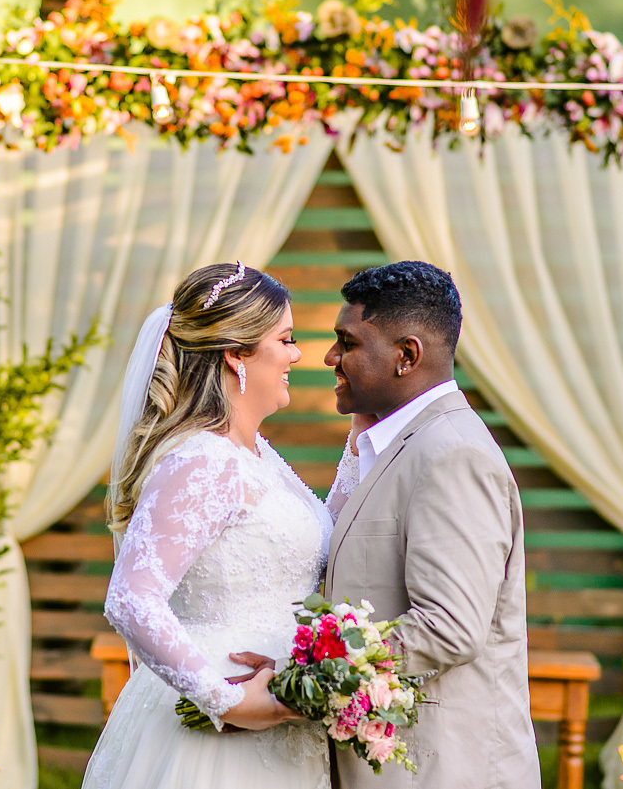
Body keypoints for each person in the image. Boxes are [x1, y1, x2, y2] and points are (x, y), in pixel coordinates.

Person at [81, 262, 363, 789]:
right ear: (237, 353)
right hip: (214, 740)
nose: (297, 355)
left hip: (283, 723)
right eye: (285, 338)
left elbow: (318, 533)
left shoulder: (257, 454)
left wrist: (362, 429)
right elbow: (131, 597)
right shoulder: (203, 460)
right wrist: (226, 700)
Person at [322, 261, 541, 789]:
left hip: (444, 768)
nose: (330, 357)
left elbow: (450, 627)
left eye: (347, 343)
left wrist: (310, 672)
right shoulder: (390, 443)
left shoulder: (452, 454)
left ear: (406, 356)